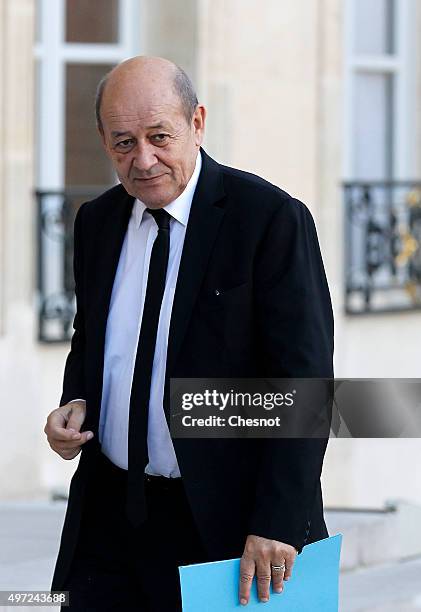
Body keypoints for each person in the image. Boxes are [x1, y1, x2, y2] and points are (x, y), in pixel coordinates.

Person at [44, 56, 334, 611]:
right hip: (108, 514)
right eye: (123, 142)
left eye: (159, 137)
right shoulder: (97, 222)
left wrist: (277, 520)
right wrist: (75, 401)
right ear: (103, 139)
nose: (143, 160)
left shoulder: (269, 219)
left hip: (224, 523)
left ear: (197, 123)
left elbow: (305, 383)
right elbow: (94, 337)